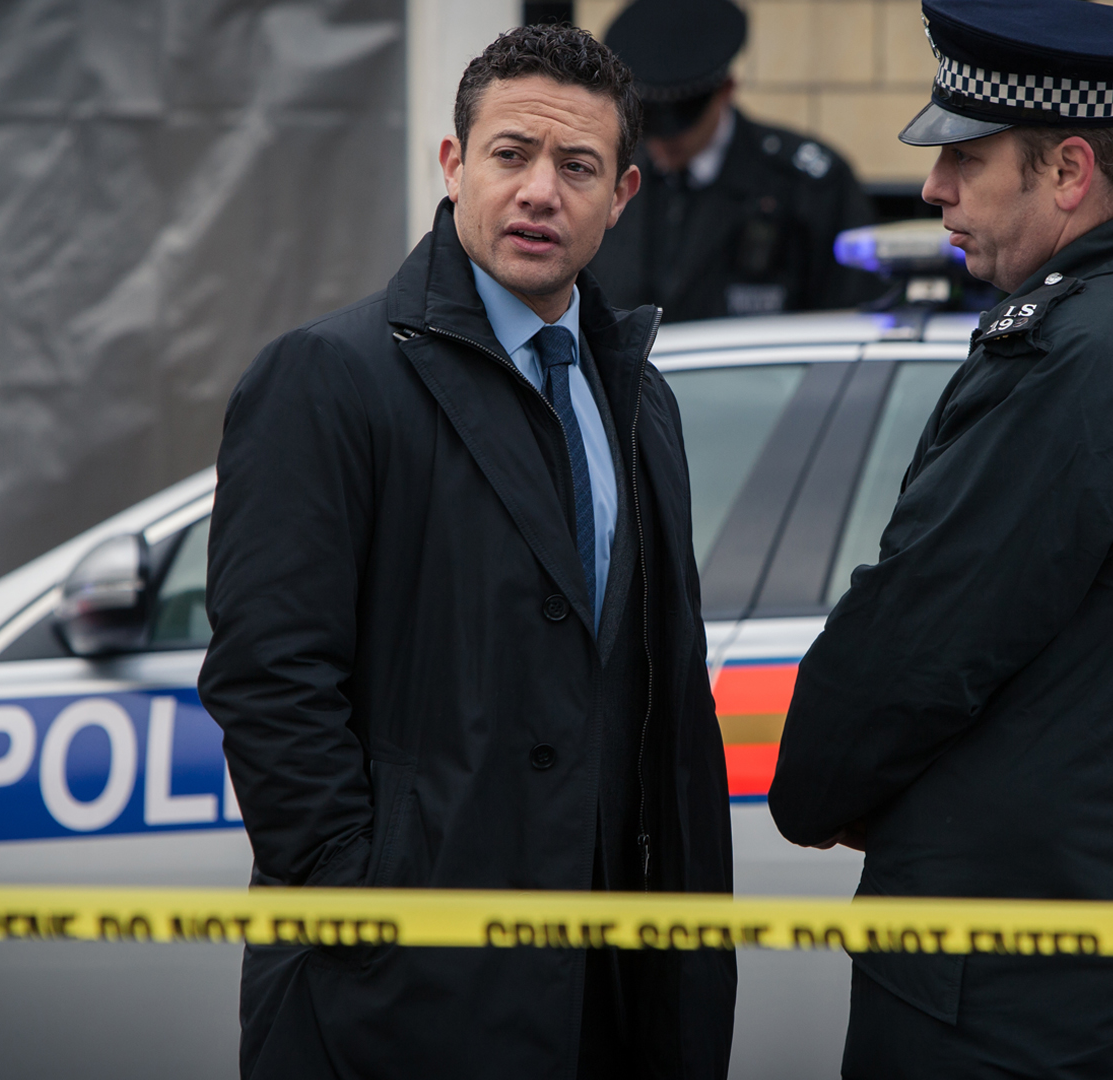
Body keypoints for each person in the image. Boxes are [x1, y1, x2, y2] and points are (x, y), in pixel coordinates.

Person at [197, 24, 734, 1080]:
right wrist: (360, 902)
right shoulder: (329, 377)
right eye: (510, 154)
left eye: (577, 166)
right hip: (397, 991)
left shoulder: (639, 398)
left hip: (604, 987)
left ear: (621, 195)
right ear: (453, 165)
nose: (539, 191)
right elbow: (269, 677)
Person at [766, 1, 1113, 1077]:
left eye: (965, 157)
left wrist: (813, 794)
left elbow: (923, 636)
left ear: (1068, 171)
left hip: (1007, 971)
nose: (933, 188)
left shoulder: (1075, 358)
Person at [588, 0, 882, 321]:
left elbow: (852, 313)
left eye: (682, 123)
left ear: (725, 90)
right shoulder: (609, 175)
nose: (663, 142)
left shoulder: (805, 186)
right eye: (649, 125)